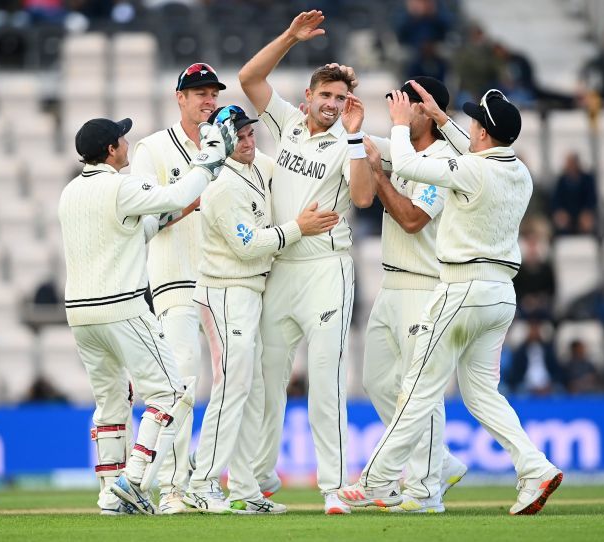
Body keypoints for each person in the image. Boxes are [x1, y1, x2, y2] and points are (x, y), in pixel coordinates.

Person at [340, 86, 563, 515]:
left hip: (462, 290)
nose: (470, 129)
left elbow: (406, 164)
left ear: (480, 133)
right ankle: (535, 467)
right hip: (500, 297)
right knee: (482, 396)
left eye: (474, 123)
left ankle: (377, 481)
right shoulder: (519, 172)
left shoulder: (469, 170)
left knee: (417, 390)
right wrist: (442, 120)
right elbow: (472, 149)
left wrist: (402, 125)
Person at [59, 115, 236, 515]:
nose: (126, 143)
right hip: (121, 306)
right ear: (110, 149)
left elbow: (136, 231)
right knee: (172, 391)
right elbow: (177, 193)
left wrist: (180, 212)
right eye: (121, 139)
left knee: (111, 402)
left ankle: (109, 494)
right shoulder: (121, 186)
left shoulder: (70, 192)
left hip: (80, 316)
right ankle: (134, 479)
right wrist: (211, 156)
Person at [238, 10, 374, 514]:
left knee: (326, 379)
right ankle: (255, 481)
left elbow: (361, 199)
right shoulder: (288, 123)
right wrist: (292, 38)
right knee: (266, 379)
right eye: (327, 97)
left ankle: (335, 488)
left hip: (326, 268)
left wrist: (357, 136)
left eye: (341, 99)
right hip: (282, 266)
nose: (334, 106)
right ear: (308, 99)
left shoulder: (350, 141)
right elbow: (249, 78)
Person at [183, 105, 339, 514]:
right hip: (224, 292)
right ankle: (201, 482)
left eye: (252, 134)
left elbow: (294, 169)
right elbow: (248, 245)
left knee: (251, 391)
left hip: (249, 294)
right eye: (241, 136)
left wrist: (306, 126)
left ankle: (245, 489)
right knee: (233, 385)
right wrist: (297, 229)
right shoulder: (222, 188)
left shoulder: (255, 168)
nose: (250, 141)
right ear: (224, 141)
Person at [360, 76, 467, 513]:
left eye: (411, 103)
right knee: (377, 382)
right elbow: (358, 142)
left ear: (430, 111)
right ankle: (439, 461)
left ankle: (425, 491)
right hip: (391, 283)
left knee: (418, 391)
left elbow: (411, 219)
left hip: (425, 284)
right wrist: (348, 120)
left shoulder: (443, 160)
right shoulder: (400, 147)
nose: (400, 110)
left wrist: (379, 175)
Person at [129, 61, 226, 514]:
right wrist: (190, 202)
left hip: (229, 279)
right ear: (180, 98)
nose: (208, 101)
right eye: (200, 94)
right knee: (184, 381)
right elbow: (147, 219)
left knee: (233, 385)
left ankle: (217, 482)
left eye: (213, 94)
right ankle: (171, 485)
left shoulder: (228, 144)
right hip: (176, 278)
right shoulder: (150, 149)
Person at [504, 319, 563, 396]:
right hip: (526, 385)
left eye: (536, 330)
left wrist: (550, 383)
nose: (534, 333)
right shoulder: (521, 351)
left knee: (559, 390)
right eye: (532, 330)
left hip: (547, 384)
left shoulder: (547, 350)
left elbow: (555, 369)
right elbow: (516, 371)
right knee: (519, 391)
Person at [551, 152, 598, 236]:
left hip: (583, 212)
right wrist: (560, 212)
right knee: (561, 221)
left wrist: (587, 211)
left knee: (587, 222)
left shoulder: (587, 179)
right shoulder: (561, 180)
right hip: (566, 213)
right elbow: (556, 200)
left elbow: (592, 199)